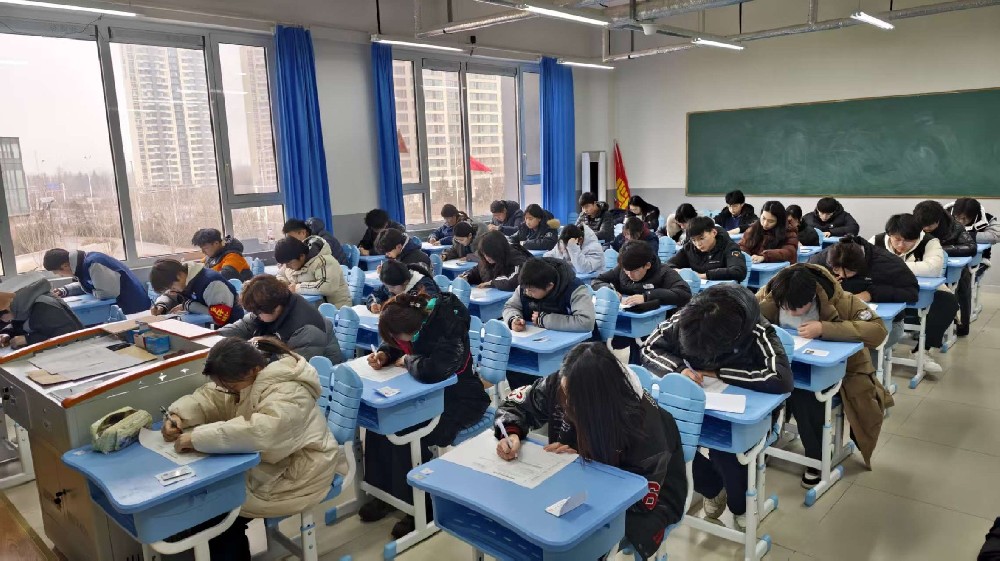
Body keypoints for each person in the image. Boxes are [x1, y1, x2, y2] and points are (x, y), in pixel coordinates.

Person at [495, 343, 686, 560]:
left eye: (575, 400)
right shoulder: (565, 382)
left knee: (576, 545)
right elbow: (516, 404)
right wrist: (512, 432)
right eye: (565, 393)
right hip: (573, 485)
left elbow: (638, 497)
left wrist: (583, 464)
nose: (566, 402)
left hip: (646, 501)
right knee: (525, 520)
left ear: (600, 400)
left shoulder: (644, 425)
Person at [162, 337, 340, 561]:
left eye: (231, 386)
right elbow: (211, 396)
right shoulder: (245, 379)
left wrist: (196, 438)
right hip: (274, 465)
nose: (227, 390)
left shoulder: (288, 391)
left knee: (217, 512)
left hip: (302, 472)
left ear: (254, 370)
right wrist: (179, 415)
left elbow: (262, 432)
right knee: (208, 505)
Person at [641, 284, 793, 531]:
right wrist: (680, 369)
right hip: (699, 403)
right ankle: (712, 488)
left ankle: (740, 506)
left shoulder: (756, 329)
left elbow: (781, 378)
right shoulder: (688, 318)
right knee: (667, 439)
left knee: (728, 453)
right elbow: (649, 347)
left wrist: (719, 372)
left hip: (743, 413)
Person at [361, 292, 489, 538]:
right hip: (424, 396)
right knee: (381, 425)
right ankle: (384, 493)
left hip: (461, 398)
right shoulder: (412, 319)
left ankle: (421, 505)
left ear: (415, 329)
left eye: (396, 336)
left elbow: (435, 370)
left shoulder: (449, 326)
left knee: (408, 430)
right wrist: (385, 355)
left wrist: (408, 360)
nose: (396, 341)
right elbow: (399, 344)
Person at [757, 264, 891, 485]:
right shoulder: (771, 294)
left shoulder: (840, 300)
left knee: (804, 395)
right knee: (762, 389)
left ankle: (816, 457)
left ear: (812, 296)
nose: (792, 313)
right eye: (786, 307)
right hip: (783, 367)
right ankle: (765, 442)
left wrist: (825, 328)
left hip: (837, 373)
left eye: (798, 308)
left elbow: (878, 330)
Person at [810, 236, 919, 368]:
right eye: (836, 270)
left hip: (885, 324)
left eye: (849, 271)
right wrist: (826, 284)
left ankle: (868, 379)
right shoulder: (821, 260)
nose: (842, 275)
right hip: (838, 320)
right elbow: (804, 285)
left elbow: (912, 293)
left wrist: (871, 294)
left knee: (863, 354)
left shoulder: (886, 262)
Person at [871, 213, 957, 373]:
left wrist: (888, 267)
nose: (901, 245)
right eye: (897, 239)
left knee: (948, 302)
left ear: (918, 236)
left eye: (908, 241)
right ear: (889, 234)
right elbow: (862, 265)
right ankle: (878, 345)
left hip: (920, 293)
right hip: (887, 291)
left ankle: (922, 351)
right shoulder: (876, 241)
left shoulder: (929, 242)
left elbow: (933, 268)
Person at [502, 257, 596, 389]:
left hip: (575, 348)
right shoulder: (527, 284)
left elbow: (586, 321)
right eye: (525, 289)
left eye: (532, 290)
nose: (527, 293)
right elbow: (510, 306)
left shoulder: (574, 288)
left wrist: (545, 320)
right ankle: (527, 398)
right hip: (534, 344)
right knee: (516, 366)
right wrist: (513, 319)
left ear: (549, 286)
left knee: (557, 380)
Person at [594, 241, 692, 363]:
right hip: (626, 319)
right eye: (626, 270)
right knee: (598, 336)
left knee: (639, 346)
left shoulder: (664, 272)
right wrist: (611, 291)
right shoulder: (625, 268)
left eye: (634, 271)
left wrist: (647, 296)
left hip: (656, 325)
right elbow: (597, 281)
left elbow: (684, 293)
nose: (629, 275)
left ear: (647, 265)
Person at [218, 275, 343, 363]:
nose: (255, 315)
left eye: (258, 312)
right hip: (289, 365)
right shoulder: (269, 308)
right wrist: (215, 335)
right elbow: (243, 326)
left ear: (276, 307)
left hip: (318, 378)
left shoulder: (306, 331)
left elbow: (290, 367)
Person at [914, 200, 977, 336]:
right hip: (922, 269)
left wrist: (939, 250)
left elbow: (971, 247)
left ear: (939, 219)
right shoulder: (913, 225)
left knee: (962, 281)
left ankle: (960, 325)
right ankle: (916, 326)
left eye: (929, 225)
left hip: (949, 269)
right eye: (922, 226)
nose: (925, 229)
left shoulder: (954, 226)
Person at [43, 248, 150, 314]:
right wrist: (65, 290)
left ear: (65, 265)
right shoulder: (82, 264)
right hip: (125, 306)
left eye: (58, 272)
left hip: (134, 307)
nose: (60, 275)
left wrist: (92, 292)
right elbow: (90, 284)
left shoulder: (95, 264)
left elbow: (107, 293)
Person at [150, 259, 244, 326]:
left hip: (230, 328)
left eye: (172, 287)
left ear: (179, 275)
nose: (171, 290)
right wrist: (161, 306)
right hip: (204, 326)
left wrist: (188, 305)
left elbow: (220, 318)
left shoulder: (211, 283)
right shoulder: (183, 281)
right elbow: (168, 295)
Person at [0, 273, 82, 350]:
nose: (4, 321)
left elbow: (67, 335)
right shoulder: (22, 307)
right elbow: (20, 325)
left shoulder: (45, 306)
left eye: (2, 318)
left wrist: (27, 339)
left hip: (75, 349)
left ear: (7, 309)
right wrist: (8, 334)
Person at [273, 237, 352, 308]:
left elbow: (327, 286)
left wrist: (297, 288)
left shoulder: (323, 261)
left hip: (336, 310)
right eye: (284, 264)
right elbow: (281, 274)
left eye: (289, 263)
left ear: (301, 256)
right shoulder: (292, 260)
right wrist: (283, 283)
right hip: (311, 306)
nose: (287, 266)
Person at [668, 216, 747, 282]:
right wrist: (680, 272)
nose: (698, 244)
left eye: (701, 238)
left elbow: (738, 271)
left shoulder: (729, 246)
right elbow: (668, 266)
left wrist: (703, 276)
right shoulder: (689, 248)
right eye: (694, 240)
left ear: (714, 233)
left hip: (722, 291)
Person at [462, 230, 532, 291]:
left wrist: (492, 283)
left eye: (489, 254)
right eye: (484, 254)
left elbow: (514, 281)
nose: (487, 258)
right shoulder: (486, 261)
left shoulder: (517, 259)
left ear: (498, 251)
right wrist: (466, 277)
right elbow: (477, 271)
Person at [366, 260, 440, 313]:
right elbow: (374, 294)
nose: (389, 290)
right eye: (387, 286)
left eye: (392, 287)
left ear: (405, 282)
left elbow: (431, 306)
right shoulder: (391, 283)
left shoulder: (423, 285)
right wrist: (373, 304)